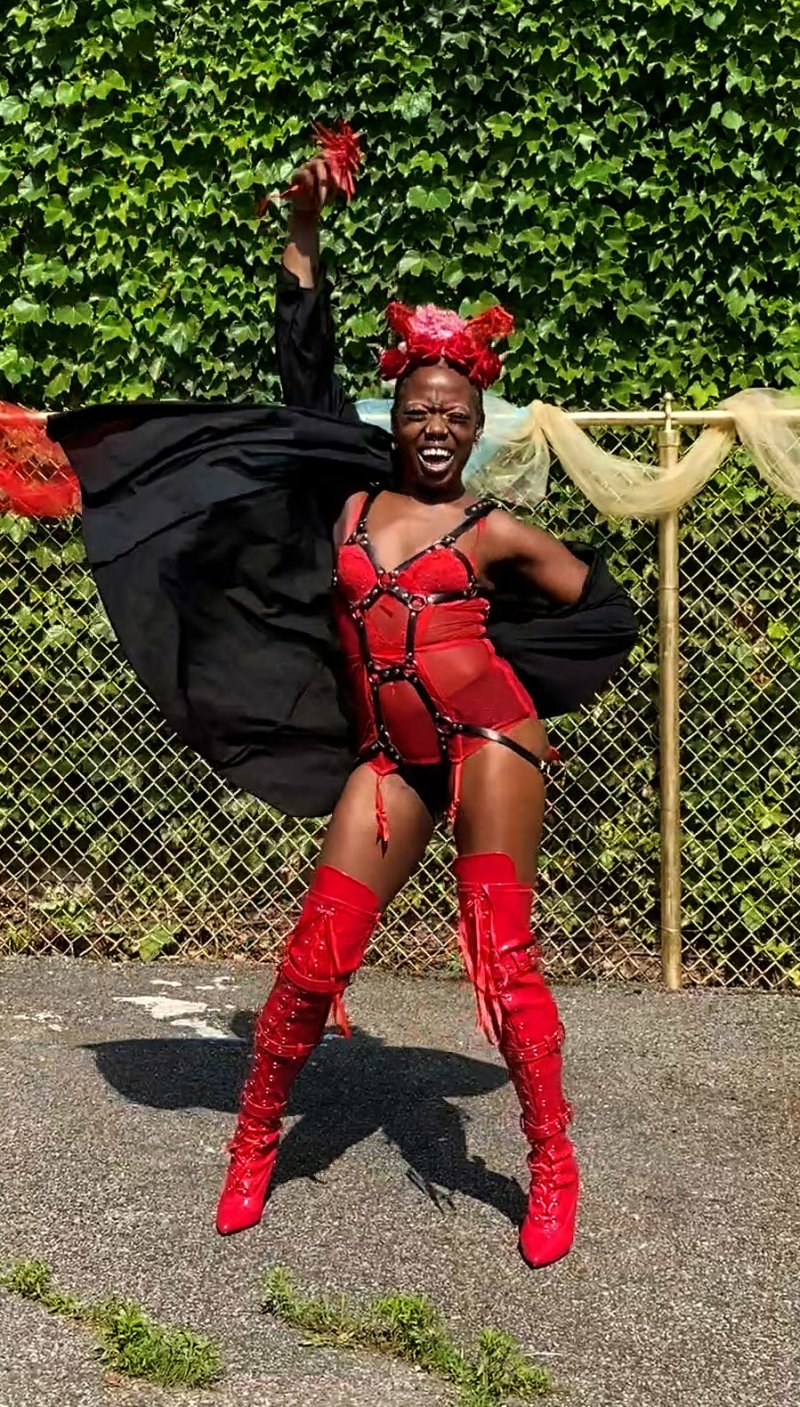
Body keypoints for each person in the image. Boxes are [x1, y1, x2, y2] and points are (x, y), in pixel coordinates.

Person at [44, 155, 637, 1272]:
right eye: (416, 409)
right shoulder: (350, 502)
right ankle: (257, 1139)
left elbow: (601, 610)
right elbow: (302, 374)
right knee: (315, 959)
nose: (432, 426)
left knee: (501, 961)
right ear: (396, 415)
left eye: (453, 414)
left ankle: (549, 1161)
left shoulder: (499, 530)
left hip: (491, 744)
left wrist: (495, 666)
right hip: (387, 761)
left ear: (475, 428)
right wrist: (302, 242)